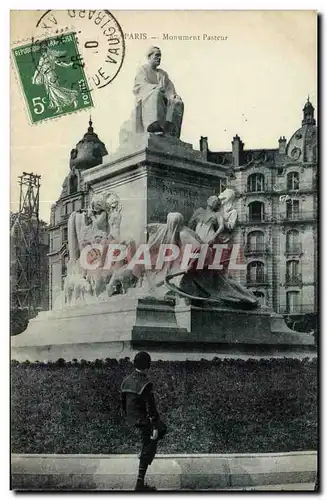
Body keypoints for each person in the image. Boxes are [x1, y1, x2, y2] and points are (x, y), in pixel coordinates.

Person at [121, 351, 167, 491]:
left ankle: (145, 453)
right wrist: (154, 426)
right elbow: (151, 408)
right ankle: (140, 483)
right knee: (158, 433)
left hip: (129, 417)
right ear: (148, 366)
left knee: (159, 430)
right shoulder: (146, 384)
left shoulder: (126, 380)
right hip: (142, 419)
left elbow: (123, 402)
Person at [133, 46, 184, 137]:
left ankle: (171, 132)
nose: (159, 58)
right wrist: (155, 88)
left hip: (163, 98)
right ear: (149, 57)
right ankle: (155, 127)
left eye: (160, 56)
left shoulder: (163, 74)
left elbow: (169, 89)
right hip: (147, 99)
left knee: (178, 102)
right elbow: (139, 87)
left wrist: (174, 96)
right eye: (156, 55)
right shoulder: (143, 70)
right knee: (156, 93)